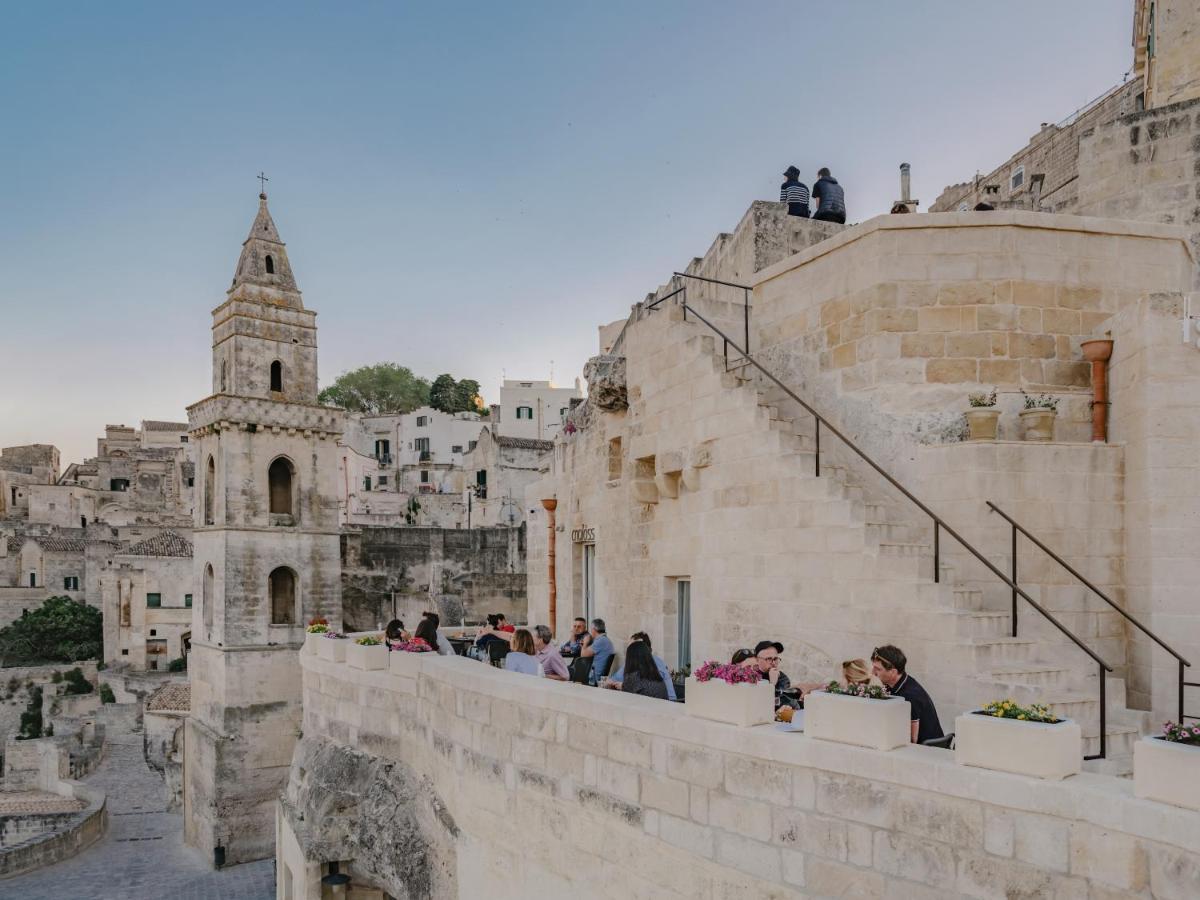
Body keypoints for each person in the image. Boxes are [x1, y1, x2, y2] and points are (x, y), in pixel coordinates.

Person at [871, 644, 943, 744]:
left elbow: (912, 740)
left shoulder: (909, 695)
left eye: (878, 669)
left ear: (893, 672)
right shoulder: (894, 684)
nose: (873, 672)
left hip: (928, 751)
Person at [607, 632, 676, 700]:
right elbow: (614, 679)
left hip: (664, 705)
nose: (629, 651)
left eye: (632, 647)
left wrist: (624, 685)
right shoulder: (651, 670)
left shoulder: (656, 665)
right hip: (659, 706)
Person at [754, 640, 794, 708]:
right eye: (769, 659)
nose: (773, 662)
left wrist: (773, 684)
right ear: (757, 660)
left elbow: (779, 704)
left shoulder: (782, 678)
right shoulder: (750, 676)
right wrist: (772, 684)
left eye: (775, 658)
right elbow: (757, 703)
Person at [580, 618, 614, 685]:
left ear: (594, 630)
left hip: (594, 679)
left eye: (591, 629)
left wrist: (585, 643)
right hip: (599, 675)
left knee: (570, 672)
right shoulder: (605, 640)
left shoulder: (600, 641)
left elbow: (583, 655)